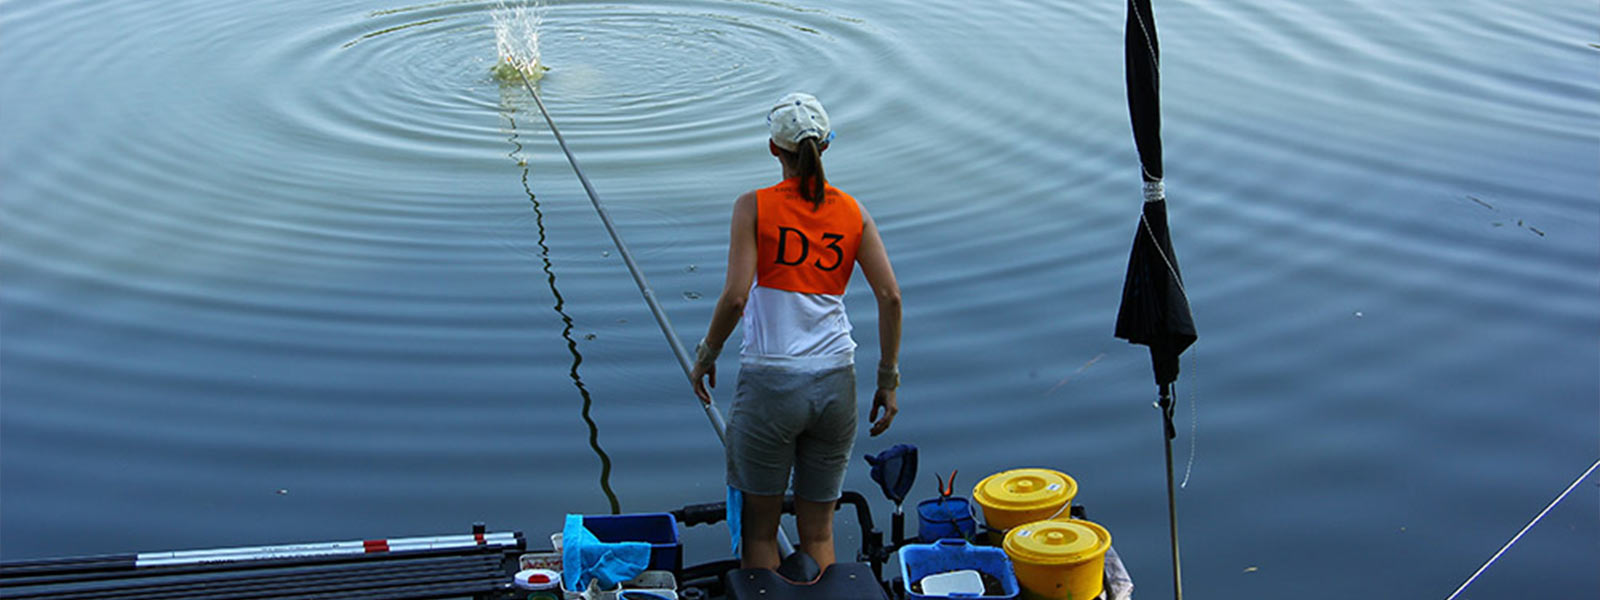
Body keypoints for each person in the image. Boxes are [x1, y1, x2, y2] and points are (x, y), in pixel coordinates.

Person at [690, 92, 902, 573]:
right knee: (819, 532)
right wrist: (887, 380)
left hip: (771, 384)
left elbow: (736, 297)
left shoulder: (753, 207)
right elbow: (891, 297)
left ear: (773, 148)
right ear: (825, 146)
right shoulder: (853, 212)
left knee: (761, 532)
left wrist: (706, 356)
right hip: (837, 383)